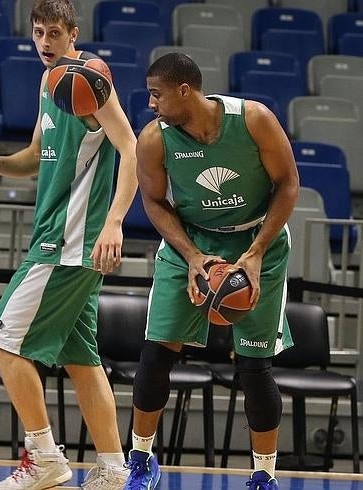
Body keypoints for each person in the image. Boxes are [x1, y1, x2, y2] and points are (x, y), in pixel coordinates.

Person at [0, 1, 137, 489]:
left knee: (2, 341)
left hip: (69, 241)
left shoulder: (91, 80)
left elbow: (131, 147)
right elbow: (37, 154)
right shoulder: (48, 83)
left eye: (54, 33)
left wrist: (115, 221)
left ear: (73, 34)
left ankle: (43, 457)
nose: (44, 42)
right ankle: (114, 470)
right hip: (62, 240)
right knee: (82, 358)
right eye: (38, 32)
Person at [124, 53, 299, 490]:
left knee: (254, 366)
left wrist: (256, 253)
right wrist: (190, 255)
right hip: (190, 241)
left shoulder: (254, 119)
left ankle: (264, 476)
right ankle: (140, 462)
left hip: (257, 239)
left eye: (157, 94)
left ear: (185, 90)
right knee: (156, 352)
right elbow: (153, 202)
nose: (150, 103)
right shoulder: (154, 139)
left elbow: (288, 184)